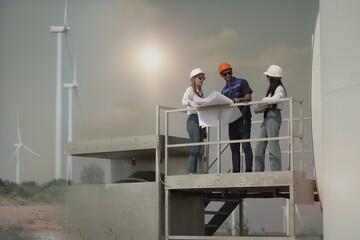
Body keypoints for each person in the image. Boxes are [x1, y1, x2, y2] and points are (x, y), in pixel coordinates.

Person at [219, 63, 253, 173]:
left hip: (243, 118)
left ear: (232, 71)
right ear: (221, 75)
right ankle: (236, 171)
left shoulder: (241, 82)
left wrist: (240, 100)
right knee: (234, 147)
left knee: (246, 145)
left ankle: (248, 171)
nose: (228, 75)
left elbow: (249, 97)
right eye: (225, 74)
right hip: (231, 120)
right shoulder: (223, 90)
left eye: (229, 72)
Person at [254, 65, 287, 172]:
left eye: (268, 76)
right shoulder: (273, 89)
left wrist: (264, 100)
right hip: (268, 116)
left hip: (273, 116)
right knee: (259, 145)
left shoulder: (279, 89)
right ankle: (258, 171)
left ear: (271, 77)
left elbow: (276, 99)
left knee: (273, 145)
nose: (267, 78)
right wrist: (261, 109)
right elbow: (271, 102)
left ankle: (275, 171)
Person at [182, 68, 206, 175]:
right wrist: (195, 104)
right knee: (195, 147)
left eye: (203, 78)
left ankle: (194, 171)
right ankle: (191, 172)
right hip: (193, 119)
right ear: (194, 79)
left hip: (200, 120)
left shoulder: (200, 92)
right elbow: (184, 101)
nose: (202, 80)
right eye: (200, 78)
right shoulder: (190, 90)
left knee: (199, 147)